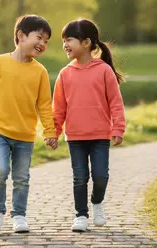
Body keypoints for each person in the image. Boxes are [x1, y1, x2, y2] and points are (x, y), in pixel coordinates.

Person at [0, 14, 58, 233]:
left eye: (46, 41)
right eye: (39, 37)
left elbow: (45, 105)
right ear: (20, 35)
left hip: (25, 134)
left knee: (21, 178)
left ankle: (19, 216)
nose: (42, 44)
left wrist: (50, 131)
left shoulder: (40, 72)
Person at [53, 19, 126, 232]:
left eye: (69, 40)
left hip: (100, 135)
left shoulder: (104, 71)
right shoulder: (65, 74)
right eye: (63, 41)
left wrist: (118, 128)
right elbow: (58, 108)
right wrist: (54, 132)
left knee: (101, 176)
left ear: (86, 42)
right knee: (80, 177)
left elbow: (115, 102)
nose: (65, 45)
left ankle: (97, 202)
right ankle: (81, 215)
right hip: (75, 136)